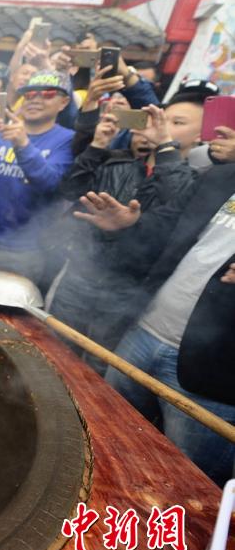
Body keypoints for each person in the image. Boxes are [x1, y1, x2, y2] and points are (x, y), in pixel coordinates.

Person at [74, 160, 235, 485]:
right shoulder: (223, 175)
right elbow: (170, 226)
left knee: (183, 485)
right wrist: (131, 225)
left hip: (212, 378)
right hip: (142, 333)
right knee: (101, 441)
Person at [51, 101, 198, 374]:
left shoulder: (194, 181)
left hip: (126, 294)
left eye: (175, 124)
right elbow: (69, 190)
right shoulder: (116, 162)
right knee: (52, 354)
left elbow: (179, 205)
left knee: (95, 371)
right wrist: (96, 146)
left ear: (199, 136)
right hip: (80, 278)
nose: (154, 129)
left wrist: (165, 147)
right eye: (148, 122)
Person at [0, 69, 75, 283]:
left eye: (48, 94)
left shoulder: (67, 140)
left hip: (27, 250)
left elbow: (50, 184)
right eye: (30, 94)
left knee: (7, 313)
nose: (36, 99)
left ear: (63, 102)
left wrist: (23, 145)